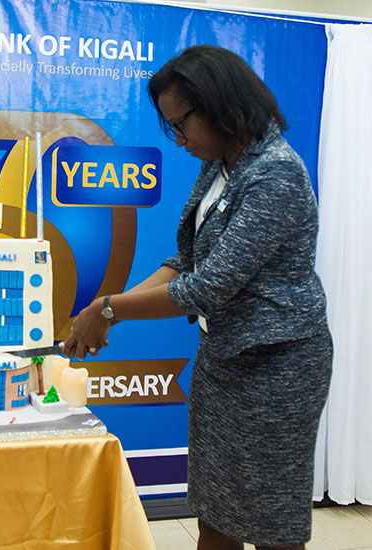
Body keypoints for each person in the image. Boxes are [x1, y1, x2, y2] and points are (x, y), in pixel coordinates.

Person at [61, 45, 332, 550]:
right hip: (222, 360)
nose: (180, 140)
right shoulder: (219, 163)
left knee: (270, 521)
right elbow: (185, 260)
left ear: (220, 105)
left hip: (277, 368)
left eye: (180, 124)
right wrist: (110, 309)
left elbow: (207, 287)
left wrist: (108, 310)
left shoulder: (274, 172)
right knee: (213, 509)